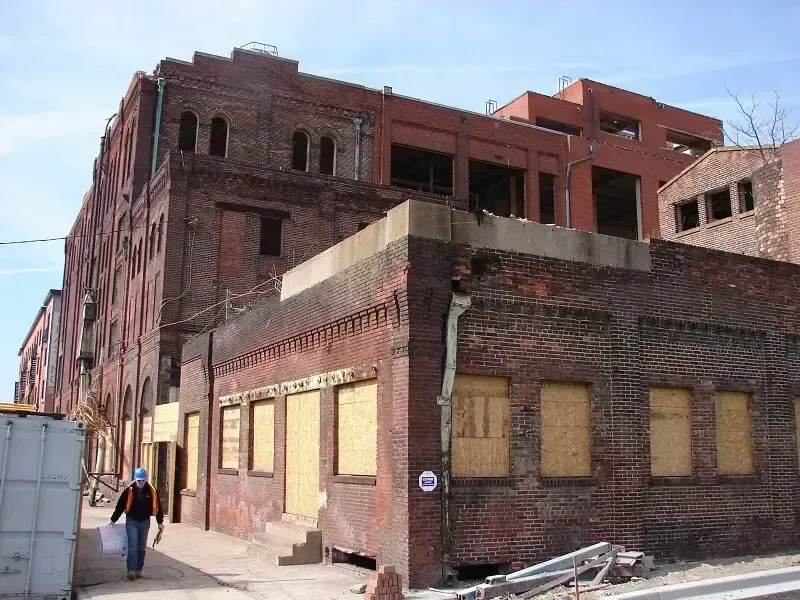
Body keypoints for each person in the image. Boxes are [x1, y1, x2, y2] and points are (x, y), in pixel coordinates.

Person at [110, 467, 164, 580]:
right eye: (139, 480)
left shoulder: (151, 491)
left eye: (143, 480)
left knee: (141, 546)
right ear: (135, 479)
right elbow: (120, 506)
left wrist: (160, 522)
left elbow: (158, 507)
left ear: (146, 480)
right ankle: (131, 570)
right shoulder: (129, 490)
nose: (141, 483)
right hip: (132, 520)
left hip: (145, 521)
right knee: (133, 545)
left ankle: (139, 570)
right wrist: (113, 519)